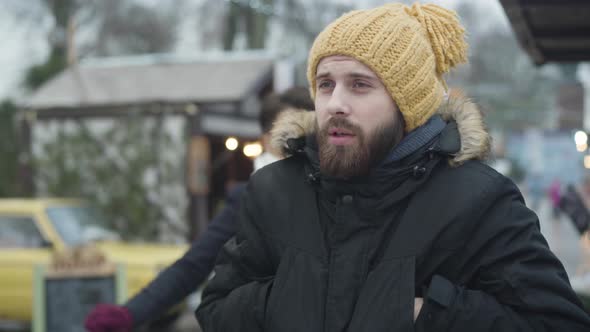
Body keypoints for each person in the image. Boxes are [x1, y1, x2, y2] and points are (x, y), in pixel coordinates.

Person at [195, 2, 590, 331]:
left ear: (409, 105)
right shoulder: (273, 189)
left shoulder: (479, 201)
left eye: (360, 84)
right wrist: (280, 302)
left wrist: (424, 314)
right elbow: (214, 310)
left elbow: (557, 323)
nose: (335, 103)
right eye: (326, 84)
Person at [84, 87, 313, 332]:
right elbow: (194, 265)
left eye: (311, 134)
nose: (303, 145)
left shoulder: (341, 190)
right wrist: (128, 314)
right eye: (292, 134)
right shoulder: (252, 198)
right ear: (267, 141)